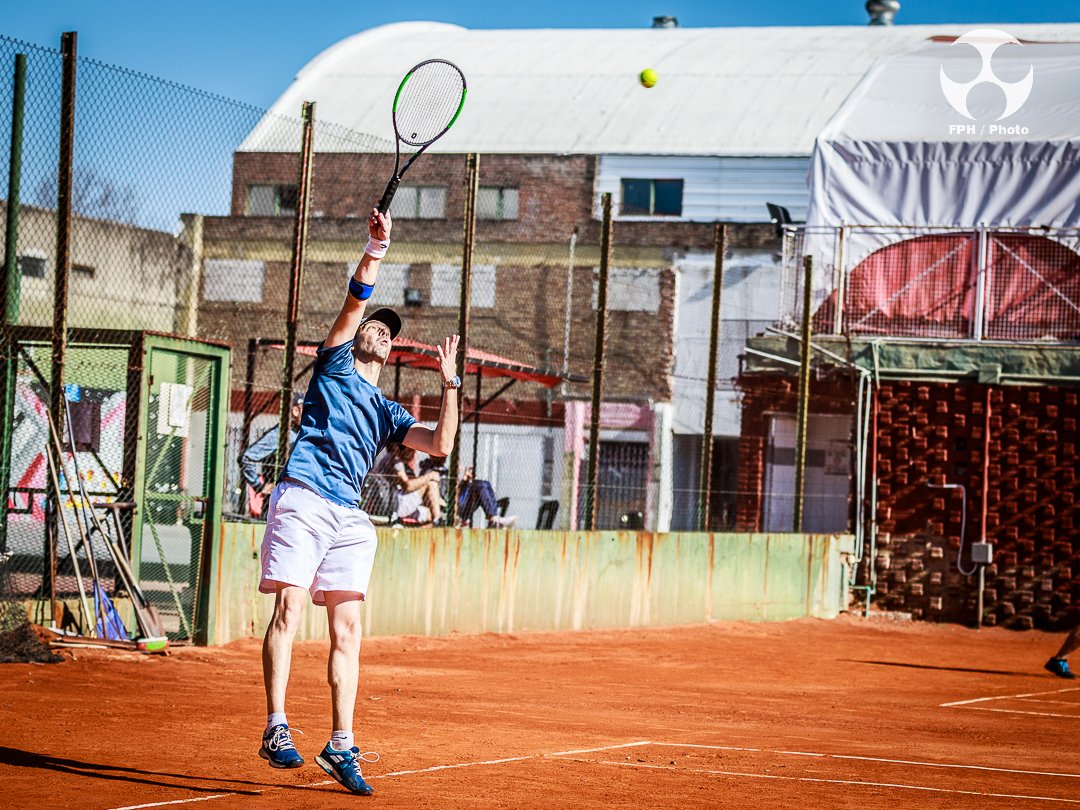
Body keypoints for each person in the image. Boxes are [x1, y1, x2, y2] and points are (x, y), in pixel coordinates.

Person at [257, 205, 461, 796]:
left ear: (393, 351)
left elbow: (442, 446)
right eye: (376, 322)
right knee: (289, 613)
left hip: (350, 516)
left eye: (388, 330)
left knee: (348, 632)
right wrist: (377, 249)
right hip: (303, 496)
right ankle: (276, 725)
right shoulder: (335, 361)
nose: (379, 328)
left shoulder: (387, 411)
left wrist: (450, 384)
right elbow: (352, 303)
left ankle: (340, 744)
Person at [239, 392, 304, 518]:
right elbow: (247, 457)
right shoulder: (281, 433)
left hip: (298, 502)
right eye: (307, 409)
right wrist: (259, 486)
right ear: (295, 411)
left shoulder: (305, 434)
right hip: (277, 503)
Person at [372, 443, 444, 525]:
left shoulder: (393, 459)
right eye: (407, 449)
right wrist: (430, 476)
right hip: (392, 505)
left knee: (428, 513)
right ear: (397, 447)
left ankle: (436, 521)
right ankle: (437, 520)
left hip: (395, 503)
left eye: (412, 450)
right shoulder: (394, 460)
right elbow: (407, 486)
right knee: (431, 483)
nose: (411, 452)